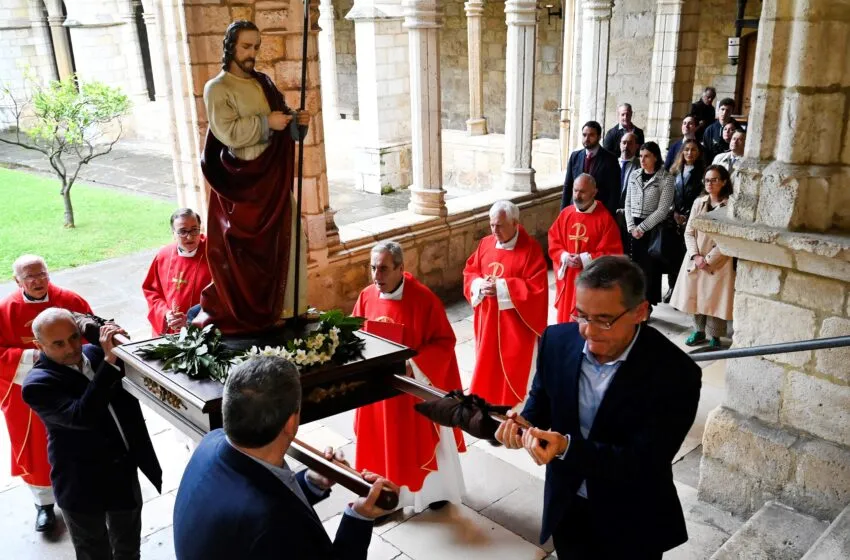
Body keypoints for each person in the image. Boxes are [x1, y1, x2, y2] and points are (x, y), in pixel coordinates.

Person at [495, 256, 702, 559]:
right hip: (567, 506)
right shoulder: (556, 340)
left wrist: (566, 448)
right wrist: (521, 422)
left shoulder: (675, 373)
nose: (589, 331)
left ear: (640, 312)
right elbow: (542, 399)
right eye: (581, 315)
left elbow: (644, 462)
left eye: (604, 319)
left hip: (631, 518)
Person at [173, 356, 395, 559]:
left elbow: (264, 490)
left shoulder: (211, 442)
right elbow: (272, 513)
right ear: (291, 422)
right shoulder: (275, 523)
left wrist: (310, 483)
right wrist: (360, 516)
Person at [194, 20, 311, 334]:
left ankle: (290, 311)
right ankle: (254, 312)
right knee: (246, 256)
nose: (252, 53)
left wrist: (298, 122)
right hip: (242, 186)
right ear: (231, 46)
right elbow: (227, 132)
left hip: (271, 180)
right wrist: (265, 123)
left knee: (291, 237)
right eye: (247, 46)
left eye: (256, 46)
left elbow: (285, 125)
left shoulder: (264, 83)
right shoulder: (218, 88)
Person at [22, 309, 162, 558]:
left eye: (74, 337)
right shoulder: (37, 384)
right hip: (81, 482)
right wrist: (109, 363)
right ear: (39, 345)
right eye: (58, 343)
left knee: (129, 547)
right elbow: (81, 416)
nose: (71, 348)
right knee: (93, 551)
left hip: (122, 472)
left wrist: (117, 339)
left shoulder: (96, 353)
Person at [353, 241, 466, 512]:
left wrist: (413, 366)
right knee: (383, 441)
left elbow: (444, 341)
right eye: (372, 269)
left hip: (413, 388)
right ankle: (385, 496)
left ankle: (432, 492)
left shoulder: (424, 299)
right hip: (379, 391)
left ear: (401, 268)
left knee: (418, 441)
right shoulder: (367, 296)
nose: (376, 276)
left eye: (383, 269)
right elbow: (356, 334)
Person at [0, 254, 93, 532]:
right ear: (17, 281)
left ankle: (80, 494)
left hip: (69, 388)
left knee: (77, 441)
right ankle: (44, 504)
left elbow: (89, 338)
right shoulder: (5, 311)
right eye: (30, 277)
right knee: (35, 450)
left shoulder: (70, 301)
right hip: (26, 393)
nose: (38, 281)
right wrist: (34, 356)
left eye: (42, 274)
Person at [462, 201, 548, 408]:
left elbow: (537, 290)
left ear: (515, 223)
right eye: (491, 225)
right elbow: (470, 271)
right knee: (487, 364)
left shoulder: (530, 250)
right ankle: (486, 403)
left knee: (514, 369)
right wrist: (479, 284)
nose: (494, 231)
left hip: (514, 329)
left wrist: (501, 287)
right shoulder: (485, 243)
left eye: (499, 225)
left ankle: (515, 409)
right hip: (488, 320)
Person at [670, 165, 735, 349]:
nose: (710, 183)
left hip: (719, 260)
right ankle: (698, 331)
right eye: (707, 180)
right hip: (696, 257)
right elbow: (689, 232)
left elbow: (727, 238)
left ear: (723, 182)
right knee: (696, 295)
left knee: (715, 299)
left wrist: (709, 260)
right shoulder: (699, 203)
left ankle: (715, 335)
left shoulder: (730, 206)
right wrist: (696, 256)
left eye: (714, 179)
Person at [549, 174, 623, 324]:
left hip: (590, 282)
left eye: (582, 192)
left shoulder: (604, 219)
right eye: (575, 191)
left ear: (594, 192)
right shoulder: (566, 214)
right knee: (565, 323)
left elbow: (613, 253)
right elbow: (554, 241)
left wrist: (584, 259)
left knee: (584, 323)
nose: (577, 195)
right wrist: (564, 256)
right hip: (569, 280)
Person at [142, 208, 213, 336]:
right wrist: (165, 313)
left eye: (194, 230)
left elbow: (222, 297)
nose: (190, 236)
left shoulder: (214, 254)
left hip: (202, 330)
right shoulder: (164, 256)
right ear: (173, 233)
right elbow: (152, 292)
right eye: (183, 232)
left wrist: (192, 320)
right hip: (170, 328)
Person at [625, 142, 675, 314]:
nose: (642, 160)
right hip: (634, 229)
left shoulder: (666, 178)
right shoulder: (635, 174)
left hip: (651, 229)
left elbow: (663, 210)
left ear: (655, 157)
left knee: (649, 270)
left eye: (646, 156)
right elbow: (628, 203)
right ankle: (632, 302)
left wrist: (642, 228)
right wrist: (631, 226)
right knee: (632, 269)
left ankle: (646, 306)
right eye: (640, 156)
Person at [665, 139, 706, 301]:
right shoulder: (674, 171)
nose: (690, 153)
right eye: (687, 149)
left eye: (693, 150)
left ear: (699, 152)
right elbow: (668, 194)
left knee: (687, 256)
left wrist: (688, 217)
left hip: (691, 219)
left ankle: (684, 293)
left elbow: (702, 196)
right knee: (672, 256)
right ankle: (672, 288)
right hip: (674, 218)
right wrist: (674, 213)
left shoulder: (702, 172)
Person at [561, 121, 621, 213]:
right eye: (584, 135)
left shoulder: (610, 159)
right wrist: (563, 212)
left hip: (598, 212)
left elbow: (614, 191)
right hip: (575, 210)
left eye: (591, 135)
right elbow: (568, 186)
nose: (587, 139)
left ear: (599, 136)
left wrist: (608, 214)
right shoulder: (575, 156)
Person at [616, 132, 641, 248]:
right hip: (611, 214)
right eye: (624, 143)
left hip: (630, 218)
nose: (626, 146)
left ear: (637, 146)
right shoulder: (612, 163)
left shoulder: (641, 166)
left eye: (630, 143)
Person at [702, 97, 738, 162]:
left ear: (732, 112)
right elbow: (706, 151)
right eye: (722, 109)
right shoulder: (709, 130)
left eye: (728, 110)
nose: (724, 113)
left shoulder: (738, 128)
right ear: (718, 110)